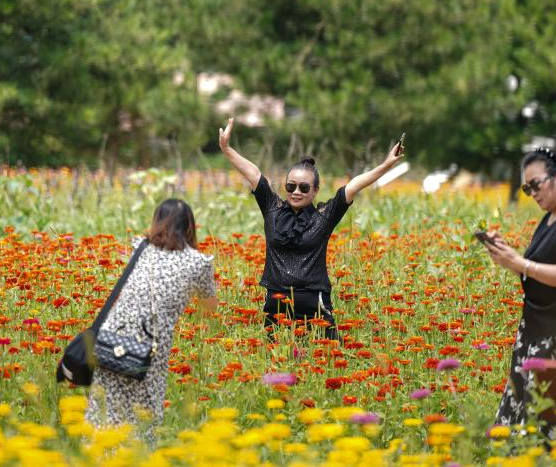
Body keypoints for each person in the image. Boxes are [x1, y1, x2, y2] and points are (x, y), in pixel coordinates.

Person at [218, 117, 403, 341]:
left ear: (315, 191)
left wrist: (385, 166)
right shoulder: (272, 209)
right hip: (276, 304)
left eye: (304, 187)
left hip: (315, 303)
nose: (296, 191)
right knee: (274, 361)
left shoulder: (323, 217)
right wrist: (227, 149)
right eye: (291, 186)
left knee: (329, 358)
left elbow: (353, 186)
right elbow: (254, 174)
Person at [483, 146, 556, 435]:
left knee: (554, 430)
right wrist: (506, 257)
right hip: (536, 335)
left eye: (536, 184)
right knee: (524, 429)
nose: (533, 193)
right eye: (527, 188)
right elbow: (535, 272)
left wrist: (521, 263)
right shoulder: (550, 218)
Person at [85, 199, 216, 434]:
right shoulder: (199, 262)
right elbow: (209, 307)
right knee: (143, 410)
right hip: (149, 345)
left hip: (111, 339)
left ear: (156, 222)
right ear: (190, 227)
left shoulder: (140, 248)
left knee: (104, 409)